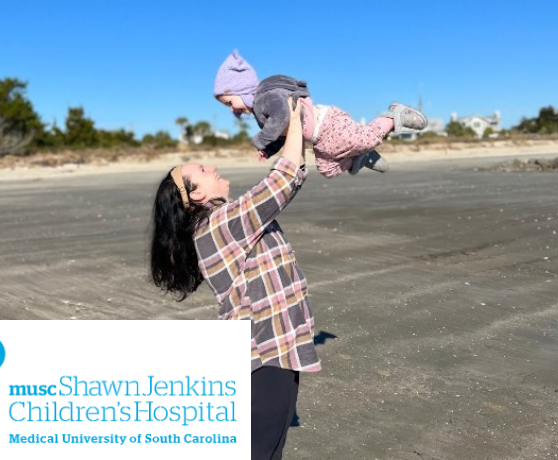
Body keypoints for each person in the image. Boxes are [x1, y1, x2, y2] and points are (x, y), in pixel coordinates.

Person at [151, 98, 319, 459]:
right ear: (195, 195)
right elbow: (286, 177)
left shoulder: (219, 223)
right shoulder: (219, 223)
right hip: (264, 355)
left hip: (267, 351)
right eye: (203, 170)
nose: (213, 166)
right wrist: (292, 119)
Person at [214, 50, 428, 178]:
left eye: (229, 102)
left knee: (365, 137)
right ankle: (359, 158)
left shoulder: (264, 99)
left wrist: (261, 141)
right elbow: (284, 133)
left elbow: (282, 116)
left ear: (240, 90)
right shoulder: (261, 114)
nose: (232, 109)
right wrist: (270, 148)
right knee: (328, 169)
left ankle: (392, 116)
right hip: (318, 139)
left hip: (326, 124)